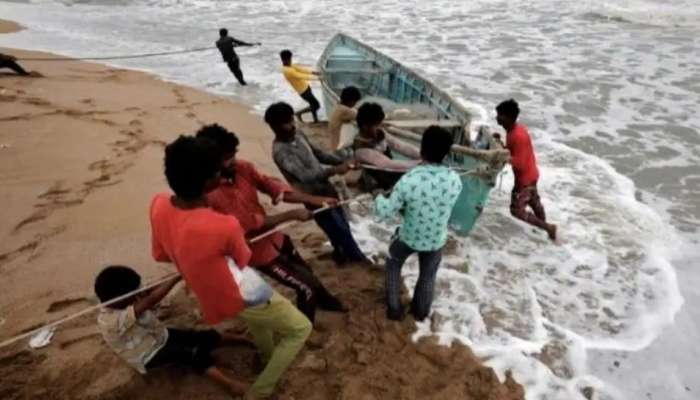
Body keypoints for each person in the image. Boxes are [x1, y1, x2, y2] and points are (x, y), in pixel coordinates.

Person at [150, 135, 311, 399]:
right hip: (239, 290)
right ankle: (260, 391)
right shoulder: (223, 225)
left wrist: (197, 260)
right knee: (299, 328)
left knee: (258, 321)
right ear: (209, 181)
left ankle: (266, 355)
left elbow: (160, 254)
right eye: (218, 169)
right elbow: (244, 258)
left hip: (208, 292)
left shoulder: (158, 203)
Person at [196, 124, 346, 322]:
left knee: (306, 272)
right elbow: (250, 225)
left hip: (276, 238)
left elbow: (273, 187)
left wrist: (312, 199)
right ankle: (302, 328)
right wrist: (291, 215)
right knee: (304, 287)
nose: (233, 161)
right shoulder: (211, 193)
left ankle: (325, 300)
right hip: (255, 251)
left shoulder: (243, 168)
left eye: (233, 154)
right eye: (226, 158)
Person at [95, 265, 250, 396]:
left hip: (161, 335)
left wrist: (178, 270)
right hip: (148, 355)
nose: (138, 294)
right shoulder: (110, 320)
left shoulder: (123, 298)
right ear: (120, 297)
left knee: (200, 336)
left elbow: (150, 289)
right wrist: (177, 278)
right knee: (190, 354)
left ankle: (243, 339)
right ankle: (230, 384)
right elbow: (151, 300)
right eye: (133, 293)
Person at [375, 126, 462, 321]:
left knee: (393, 263)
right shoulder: (455, 179)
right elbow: (441, 206)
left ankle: (394, 309)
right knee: (428, 276)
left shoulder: (408, 180)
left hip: (409, 237)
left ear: (422, 150)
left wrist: (379, 197)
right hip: (436, 239)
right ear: (446, 154)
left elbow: (386, 211)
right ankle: (421, 312)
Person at [264, 102, 368, 265]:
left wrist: (344, 161)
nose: (291, 125)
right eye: (286, 123)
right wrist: (336, 170)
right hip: (312, 196)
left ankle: (340, 253)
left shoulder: (298, 134)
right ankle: (359, 260)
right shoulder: (281, 151)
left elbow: (319, 154)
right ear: (275, 127)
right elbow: (307, 176)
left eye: (291, 120)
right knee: (335, 227)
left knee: (342, 224)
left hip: (326, 187)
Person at [495, 99, 557, 241]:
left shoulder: (517, 135)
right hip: (532, 174)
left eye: (500, 115)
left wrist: (504, 156)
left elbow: (519, 163)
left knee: (516, 210)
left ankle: (548, 227)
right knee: (534, 202)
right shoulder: (514, 130)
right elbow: (515, 153)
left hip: (524, 179)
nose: (497, 118)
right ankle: (545, 231)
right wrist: (502, 146)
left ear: (508, 117)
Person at [353, 102, 421, 191]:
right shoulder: (361, 149)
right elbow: (388, 164)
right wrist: (419, 163)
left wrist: (423, 155)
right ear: (365, 126)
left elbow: (400, 145)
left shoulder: (379, 133)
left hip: (392, 171)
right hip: (382, 179)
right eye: (377, 125)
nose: (380, 127)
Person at [280, 50, 321, 123]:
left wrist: (313, 72)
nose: (290, 60)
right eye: (288, 59)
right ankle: (299, 113)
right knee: (316, 105)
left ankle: (315, 120)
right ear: (283, 60)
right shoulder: (287, 70)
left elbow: (301, 70)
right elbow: (300, 76)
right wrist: (317, 78)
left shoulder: (290, 66)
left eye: (290, 59)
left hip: (306, 87)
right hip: (303, 91)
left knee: (313, 105)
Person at [328, 86, 362, 151]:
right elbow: (364, 117)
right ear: (351, 100)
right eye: (355, 102)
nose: (355, 104)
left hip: (335, 145)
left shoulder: (339, 107)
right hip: (340, 149)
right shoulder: (345, 110)